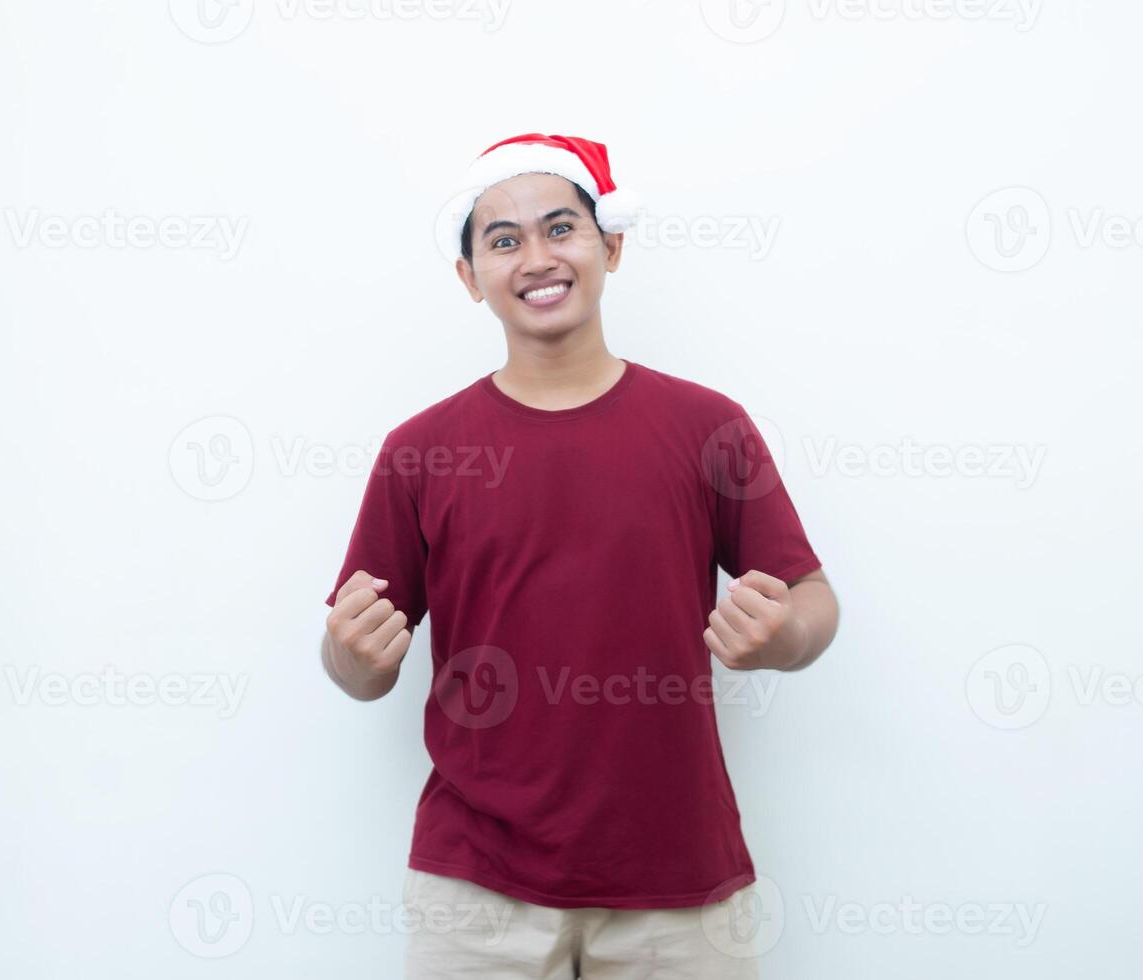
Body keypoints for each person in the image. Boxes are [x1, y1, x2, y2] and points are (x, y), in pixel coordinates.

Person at [322, 132, 840, 978]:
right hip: (475, 895)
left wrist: (785, 637)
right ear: (469, 277)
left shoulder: (708, 428)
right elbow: (358, 664)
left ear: (611, 246)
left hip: (680, 885)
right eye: (503, 239)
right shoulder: (420, 451)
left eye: (560, 228)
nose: (536, 257)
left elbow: (812, 599)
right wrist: (350, 655)